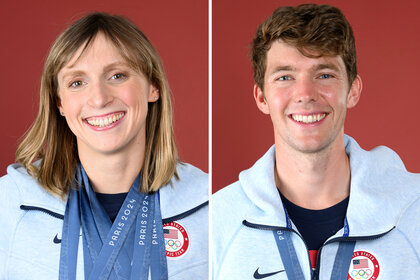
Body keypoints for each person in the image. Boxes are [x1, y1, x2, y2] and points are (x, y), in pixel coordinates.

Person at [212, 4, 420, 279]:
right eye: (285, 77)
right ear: (262, 98)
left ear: (353, 91)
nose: (305, 94)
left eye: (324, 75)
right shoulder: (218, 221)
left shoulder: (414, 209)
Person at [0, 13, 208, 279]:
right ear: (60, 104)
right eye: (77, 82)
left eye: (117, 76)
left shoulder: (209, 206)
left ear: (153, 87)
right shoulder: (9, 203)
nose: (98, 99)